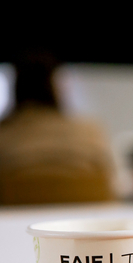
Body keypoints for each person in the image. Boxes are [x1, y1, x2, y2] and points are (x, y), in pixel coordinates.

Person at [0, 50, 116, 204]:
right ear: (56, 87)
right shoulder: (88, 130)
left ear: (16, 86)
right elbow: (110, 177)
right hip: (87, 218)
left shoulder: (4, 133)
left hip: (11, 222)